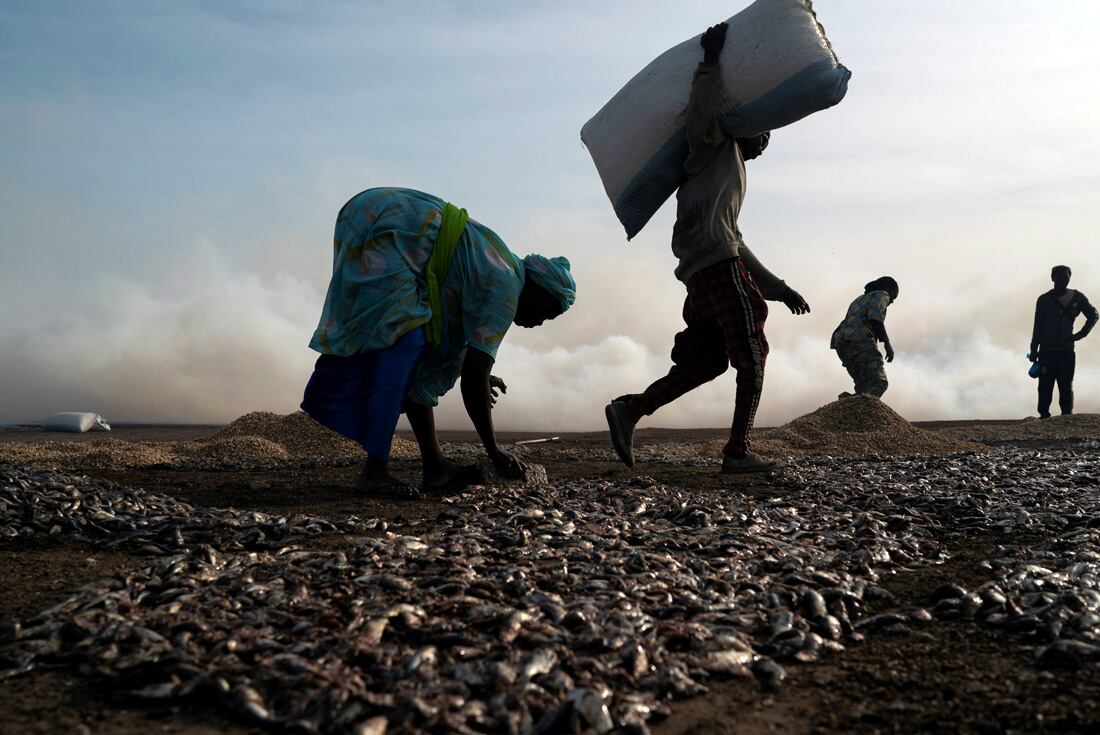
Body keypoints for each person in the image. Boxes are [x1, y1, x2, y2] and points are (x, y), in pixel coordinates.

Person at [604, 22, 811, 474]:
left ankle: (630, 410)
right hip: (716, 267)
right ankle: (737, 452)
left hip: (705, 270)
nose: (763, 141)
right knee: (752, 357)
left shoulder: (730, 169)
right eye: (762, 132)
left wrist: (778, 287)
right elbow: (702, 116)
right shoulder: (713, 145)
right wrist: (710, 64)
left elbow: (734, 237)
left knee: (707, 361)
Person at [302, 187, 576, 495]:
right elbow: (473, 380)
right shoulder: (507, 290)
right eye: (546, 311)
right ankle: (374, 473)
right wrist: (494, 451)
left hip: (374, 213)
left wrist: (479, 373)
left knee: (417, 350)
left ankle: (434, 469)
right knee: (401, 346)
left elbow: (458, 355)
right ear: (538, 287)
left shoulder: (501, 266)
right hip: (387, 223)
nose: (539, 321)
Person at [1030, 265, 1097, 418]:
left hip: (1066, 351)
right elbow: (1037, 327)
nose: (1062, 280)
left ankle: (1066, 417)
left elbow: (1093, 315)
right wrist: (1034, 350)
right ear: (1052, 278)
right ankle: (1044, 416)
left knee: (1066, 387)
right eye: (1059, 277)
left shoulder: (1077, 298)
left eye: (1065, 277)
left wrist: (1080, 334)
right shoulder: (1043, 300)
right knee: (1045, 387)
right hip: (1046, 351)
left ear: (1069, 279)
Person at [830, 277, 899, 399]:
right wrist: (887, 344)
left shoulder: (859, 299)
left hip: (840, 341)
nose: (892, 301)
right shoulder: (882, 294)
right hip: (859, 338)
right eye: (893, 296)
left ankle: (847, 408)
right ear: (887, 288)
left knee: (863, 387)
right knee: (879, 383)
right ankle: (854, 412)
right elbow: (875, 318)